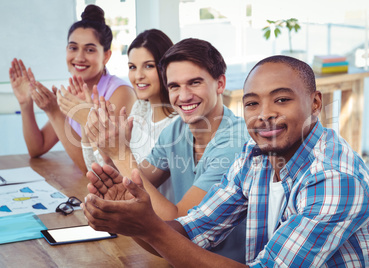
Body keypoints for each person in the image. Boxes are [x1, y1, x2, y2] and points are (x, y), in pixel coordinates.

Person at [81, 55, 369, 267]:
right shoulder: (254, 158)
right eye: (252, 103)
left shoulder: (333, 179)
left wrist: (148, 227)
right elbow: (190, 231)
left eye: (281, 99)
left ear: (314, 103)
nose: (264, 113)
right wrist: (132, 218)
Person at [84, 38, 250, 263]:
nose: (183, 96)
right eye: (174, 86)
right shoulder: (177, 130)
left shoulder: (235, 142)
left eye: (194, 82)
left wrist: (121, 153)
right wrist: (110, 155)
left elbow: (181, 224)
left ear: (220, 83)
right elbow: (137, 181)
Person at [8, 4, 135, 173]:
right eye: (73, 48)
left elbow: (96, 167)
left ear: (106, 56)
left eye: (89, 49)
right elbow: (37, 148)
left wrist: (55, 112)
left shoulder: (121, 92)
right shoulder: (73, 93)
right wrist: (25, 104)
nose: (79, 57)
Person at [82, 29, 178, 202]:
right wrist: (88, 122)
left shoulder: (177, 125)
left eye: (149, 66)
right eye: (132, 67)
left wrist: (116, 153)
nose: (138, 76)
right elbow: (100, 173)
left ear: (166, 68)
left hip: (163, 218)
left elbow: (138, 186)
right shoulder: (140, 109)